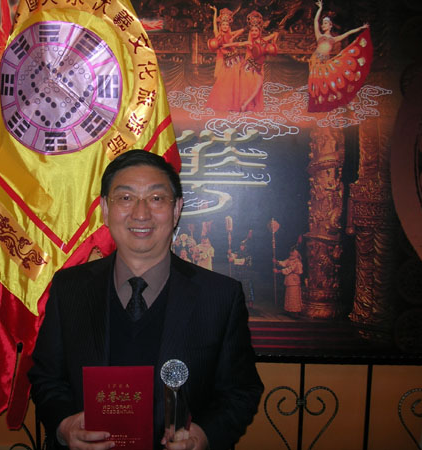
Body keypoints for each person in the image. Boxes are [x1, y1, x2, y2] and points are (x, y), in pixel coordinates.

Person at [29, 150, 263, 450]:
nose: (141, 213)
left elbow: (240, 390)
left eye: (156, 198)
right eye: (125, 198)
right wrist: (64, 426)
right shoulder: (70, 287)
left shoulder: (220, 296)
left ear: (176, 209)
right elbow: (46, 377)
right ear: (105, 209)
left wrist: (204, 436)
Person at [308, 0, 371, 112]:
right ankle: (319, 102)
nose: (323, 25)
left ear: (330, 25)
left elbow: (348, 33)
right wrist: (320, 9)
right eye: (323, 23)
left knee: (335, 79)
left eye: (325, 23)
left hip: (325, 62)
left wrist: (361, 28)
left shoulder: (334, 39)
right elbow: (315, 21)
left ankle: (344, 100)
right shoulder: (319, 36)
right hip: (316, 61)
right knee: (318, 83)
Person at [224, 11, 279, 112]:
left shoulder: (263, 40)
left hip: (258, 67)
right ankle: (244, 105)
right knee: (251, 86)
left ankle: (246, 104)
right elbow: (238, 44)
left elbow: (275, 34)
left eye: (256, 31)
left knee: (257, 86)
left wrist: (273, 43)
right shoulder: (250, 42)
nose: (254, 32)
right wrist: (227, 45)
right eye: (252, 30)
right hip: (249, 67)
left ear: (259, 31)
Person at [205, 6, 244, 112]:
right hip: (223, 59)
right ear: (220, 26)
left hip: (233, 60)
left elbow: (242, 30)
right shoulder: (218, 35)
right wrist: (215, 12)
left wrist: (233, 38)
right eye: (223, 24)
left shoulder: (230, 34)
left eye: (227, 24)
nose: (225, 26)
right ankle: (222, 103)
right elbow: (214, 26)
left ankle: (232, 104)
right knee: (221, 81)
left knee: (232, 82)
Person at [273, 247, 303, 316]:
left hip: (294, 281)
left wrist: (279, 271)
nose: (291, 253)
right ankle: (288, 310)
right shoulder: (290, 259)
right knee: (288, 296)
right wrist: (277, 262)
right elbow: (284, 263)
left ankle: (295, 312)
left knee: (294, 297)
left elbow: (290, 269)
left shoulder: (297, 262)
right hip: (289, 280)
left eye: (292, 252)